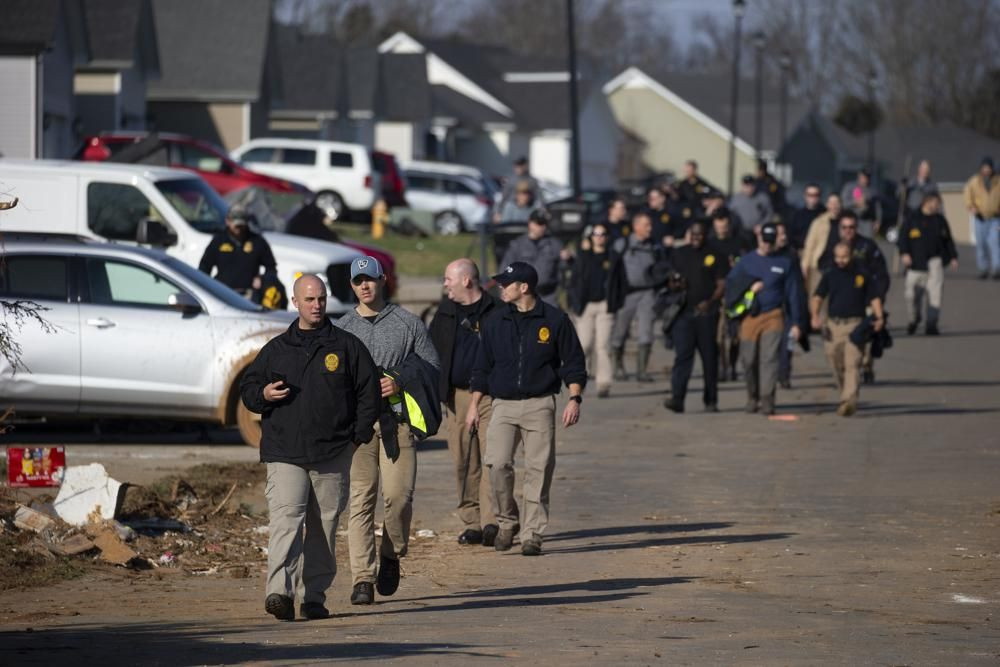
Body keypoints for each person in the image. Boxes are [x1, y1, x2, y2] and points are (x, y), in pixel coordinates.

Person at [240, 274, 381, 622]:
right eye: (309, 300)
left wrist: (357, 436)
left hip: (333, 452)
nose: (316, 306)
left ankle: (314, 597)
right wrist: (264, 396)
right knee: (287, 521)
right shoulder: (276, 349)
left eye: (320, 299)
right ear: (295, 303)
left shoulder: (346, 346)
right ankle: (279, 594)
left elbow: (369, 393)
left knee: (324, 528)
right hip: (285, 451)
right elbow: (249, 388)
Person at [335, 257, 440, 606]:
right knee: (360, 500)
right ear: (352, 286)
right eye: (358, 281)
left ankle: (391, 554)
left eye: (371, 279)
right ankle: (362, 578)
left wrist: (398, 379)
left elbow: (432, 366)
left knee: (398, 497)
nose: (365, 286)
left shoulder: (408, 323)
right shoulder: (343, 327)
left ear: (383, 281)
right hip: (359, 427)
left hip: (398, 422)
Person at [468, 261, 586, 556]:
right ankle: (508, 521)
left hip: (540, 403)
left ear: (524, 287)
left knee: (539, 469)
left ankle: (532, 533)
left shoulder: (555, 320)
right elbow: (482, 366)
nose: (499, 288)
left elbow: (573, 363)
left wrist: (574, 398)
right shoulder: (495, 322)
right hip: (503, 404)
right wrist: (474, 405)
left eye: (505, 284)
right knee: (496, 464)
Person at [428, 260, 500, 546]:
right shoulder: (445, 312)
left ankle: (491, 520)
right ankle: (472, 521)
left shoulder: (496, 311)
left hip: (491, 394)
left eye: (448, 279)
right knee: (464, 459)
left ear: (467, 281)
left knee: (491, 458)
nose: (445, 284)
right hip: (456, 396)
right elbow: (432, 352)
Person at [724, 222, 804, 415]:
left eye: (771, 241)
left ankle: (768, 400)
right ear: (758, 238)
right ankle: (753, 396)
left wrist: (796, 323)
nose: (767, 245)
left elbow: (794, 294)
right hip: (750, 317)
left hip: (773, 315)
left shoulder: (785, 262)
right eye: (764, 241)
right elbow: (731, 287)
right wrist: (749, 289)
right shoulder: (746, 262)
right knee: (749, 360)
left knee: (769, 359)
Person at [810, 243, 885, 417]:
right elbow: (818, 296)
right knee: (835, 363)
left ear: (851, 255)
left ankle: (848, 400)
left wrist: (879, 317)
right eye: (838, 257)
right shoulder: (830, 275)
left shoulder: (862, 275)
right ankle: (845, 391)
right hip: (833, 325)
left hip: (855, 325)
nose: (841, 260)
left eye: (844, 256)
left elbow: (874, 298)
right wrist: (814, 315)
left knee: (852, 363)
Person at [819, 211, 890, 384]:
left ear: (856, 228)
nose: (848, 231)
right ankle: (847, 370)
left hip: (865, 300)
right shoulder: (832, 248)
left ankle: (866, 366)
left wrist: (877, 299)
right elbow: (823, 267)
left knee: (864, 338)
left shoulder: (867, 246)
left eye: (851, 227)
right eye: (844, 227)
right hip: (840, 302)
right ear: (839, 229)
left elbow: (881, 274)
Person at [664, 222, 725, 413]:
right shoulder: (680, 253)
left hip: (707, 314)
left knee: (709, 358)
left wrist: (711, 301)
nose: (696, 237)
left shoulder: (716, 254)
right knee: (683, 356)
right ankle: (677, 398)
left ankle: (710, 400)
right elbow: (670, 279)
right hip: (684, 313)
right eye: (694, 233)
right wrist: (674, 284)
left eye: (700, 234)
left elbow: (722, 284)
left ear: (706, 235)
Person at [608, 211, 666, 382]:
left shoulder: (655, 245)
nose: (650, 228)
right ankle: (618, 367)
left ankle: (642, 371)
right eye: (646, 225)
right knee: (620, 330)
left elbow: (663, 265)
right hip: (627, 294)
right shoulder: (622, 244)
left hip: (648, 292)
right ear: (636, 226)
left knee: (646, 331)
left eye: (650, 225)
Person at [898, 192, 959, 335]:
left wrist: (953, 257)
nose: (938, 206)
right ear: (927, 202)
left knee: (935, 295)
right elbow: (902, 238)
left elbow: (948, 240)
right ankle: (914, 319)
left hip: (935, 262)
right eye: (936, 203)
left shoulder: (940, 220)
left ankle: (931, 324)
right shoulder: (912, 218)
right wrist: (904, 253)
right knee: (911, 295)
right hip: (915, 264)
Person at [567, 222, 615, 398]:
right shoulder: (583, 257)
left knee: (602, 345)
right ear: (590, 237)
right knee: (584, 344)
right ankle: (580, 380)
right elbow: (574, 282)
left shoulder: (613, 257)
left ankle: (604, 383)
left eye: (602, 234)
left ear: (607, 237)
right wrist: (573, 303)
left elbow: (620, 282)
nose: (599, 237)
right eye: (596, 233)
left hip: (605, 305)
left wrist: (615, 303)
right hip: (585, 306)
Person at [198, 202, 279, 299]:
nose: (239, 228)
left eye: (242, 225)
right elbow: (204, 267)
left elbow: (271, 267)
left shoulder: (258, 242)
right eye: (236, 225)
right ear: (227, 221)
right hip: (222, 293)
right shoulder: (218, 241)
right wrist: (208, 289)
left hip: (249, 295)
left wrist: (263, 279)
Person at [707, 208, 750, 381]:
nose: (722, 229)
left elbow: (747, 265)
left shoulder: (740, 242)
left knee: (735, 336)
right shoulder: (709, 244)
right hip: (716, 295)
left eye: (724, 226)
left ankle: (732, 365)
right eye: (719, 226)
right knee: (718, 336)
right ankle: (722, 367)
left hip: (737, 294)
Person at [499, 209, 564, 305]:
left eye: (545, 224)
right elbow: (505, 270)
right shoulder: (517, 245)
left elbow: (565, 271)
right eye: (539, 223)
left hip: (547, 297)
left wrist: (569, 260)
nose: (543, 227)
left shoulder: (554, 244)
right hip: (522, 297)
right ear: (530, 223)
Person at [774, 222, 807, 389]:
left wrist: (800, 313)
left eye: (784, 233)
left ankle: (784, 374)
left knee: (788, 343)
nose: (783, 237)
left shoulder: (791, 255)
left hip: (790, 306)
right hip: (772, 307)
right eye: (779, 234)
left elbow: (799, 285)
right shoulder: (767, 255)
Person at [801, 193, 843, 307]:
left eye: (837, 203)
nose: (834, 206)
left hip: (839, 266)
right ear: (827, 205)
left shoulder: (845, 223)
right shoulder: (819, 222)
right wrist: (805, 265)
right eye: (832, 203)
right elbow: (809, 245)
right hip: (819, 266)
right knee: (816, 299)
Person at [962, 156, 1000, 279]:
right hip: (980, 218)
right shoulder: (975, 181)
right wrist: (971, 207)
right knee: (981, 244)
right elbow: (967, 194)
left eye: (988, 167)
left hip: (995, 218)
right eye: (984, 167)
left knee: (994, 242)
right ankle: (983, 269)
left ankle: (996, 268)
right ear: (981, 169)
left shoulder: (998, 181)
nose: (986, 170)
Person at [495, 157, 542, 221]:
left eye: (520, 165)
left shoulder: (532, 181)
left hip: (527, 209)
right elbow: (504, 196)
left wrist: (543, 209)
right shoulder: (511, 180)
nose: (517, 168)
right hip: (512, 209)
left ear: (525, 166)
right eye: (516, 165)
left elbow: (539, 196)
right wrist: (499, 212)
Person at [841, 169, 880, 237]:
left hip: (866, 223)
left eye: (868, 177)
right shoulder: (850, 187)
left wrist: (878, 220)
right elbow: (843, 203)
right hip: (851, 221)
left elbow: (877, 207)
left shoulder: (872, 191)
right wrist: (855, 202)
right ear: (859, 175)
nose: (866, 179)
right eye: (864, 176)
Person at [788, 184, 825, 251]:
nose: (812, 198)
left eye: (815, 195)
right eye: (810, 195)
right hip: (801, 250)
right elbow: (792, 235)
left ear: (819, 196)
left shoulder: (825, 214)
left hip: (820, 250)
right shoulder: (797, 215)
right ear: (805, 196)